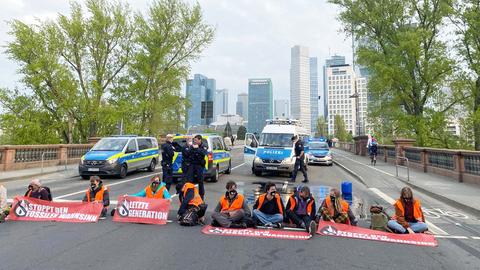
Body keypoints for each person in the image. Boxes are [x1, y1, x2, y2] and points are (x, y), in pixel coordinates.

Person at [188, 135, 208, 199]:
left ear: (200, 140)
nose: (195, 141)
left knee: (200, 181)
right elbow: (189, 152)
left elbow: (204, 153)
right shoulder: (192, 145)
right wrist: (193, 148)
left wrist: (197, 149)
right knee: (190, 180)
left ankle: (201, 196)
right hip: (192, 164)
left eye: (196, 140)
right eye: (194, 140)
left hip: (199, 165)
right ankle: (190, 194)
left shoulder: (204, 146)